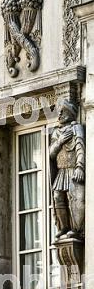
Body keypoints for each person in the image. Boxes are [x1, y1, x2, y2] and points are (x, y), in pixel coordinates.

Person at [50, 100, 85, 240]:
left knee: (73, 198)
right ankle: (64, 226)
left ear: (69, 113)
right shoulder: (56, 132)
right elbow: (51, 153)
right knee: (58, 196)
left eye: (62, 111)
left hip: (72, 169)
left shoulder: (76, 128)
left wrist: (80, 167)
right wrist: (59, 141)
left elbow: (80, 147)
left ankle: (76, 228)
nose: (59, 114)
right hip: (61, 170)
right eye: (58, 111)